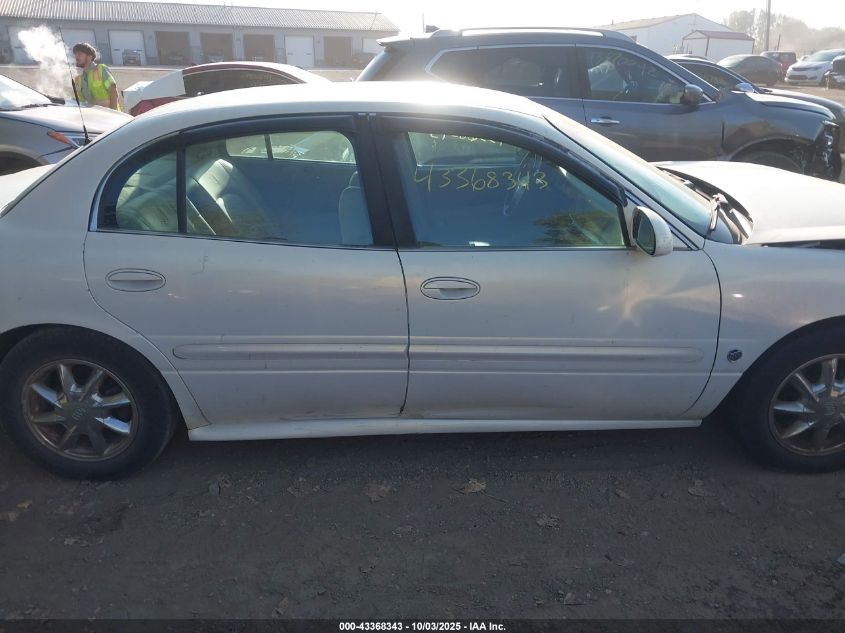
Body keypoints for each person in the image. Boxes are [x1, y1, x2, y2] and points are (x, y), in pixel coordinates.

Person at [72, 42, 120, 111]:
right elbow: (80, 101)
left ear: (89, 57)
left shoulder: (101, 69)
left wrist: (113, 112)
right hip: (94, 116)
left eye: (80, 54)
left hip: (109, 115)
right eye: (75, 54)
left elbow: (113, 92)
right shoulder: (78, 79)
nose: (76, 57)